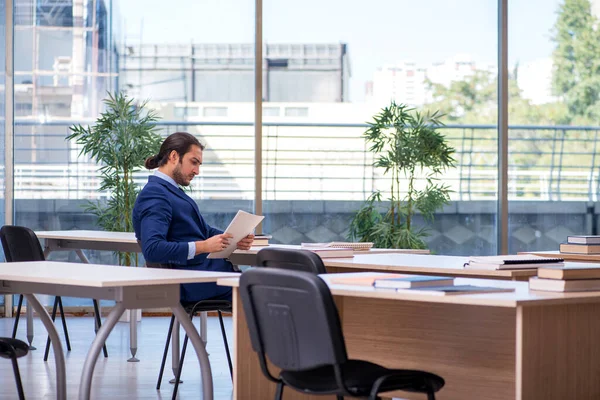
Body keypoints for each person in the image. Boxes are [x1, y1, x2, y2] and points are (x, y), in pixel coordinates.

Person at [132, 131, 253, 303]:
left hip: (202, 275)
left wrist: (234, 239)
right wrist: (203, 246)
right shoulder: (155, 194)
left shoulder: (170, 191)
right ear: (174, 156)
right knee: (264, 289)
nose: (197, 171)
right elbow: (153, 249)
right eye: (193, 162)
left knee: (266, 285)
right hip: (189, 281)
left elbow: (203, 230)